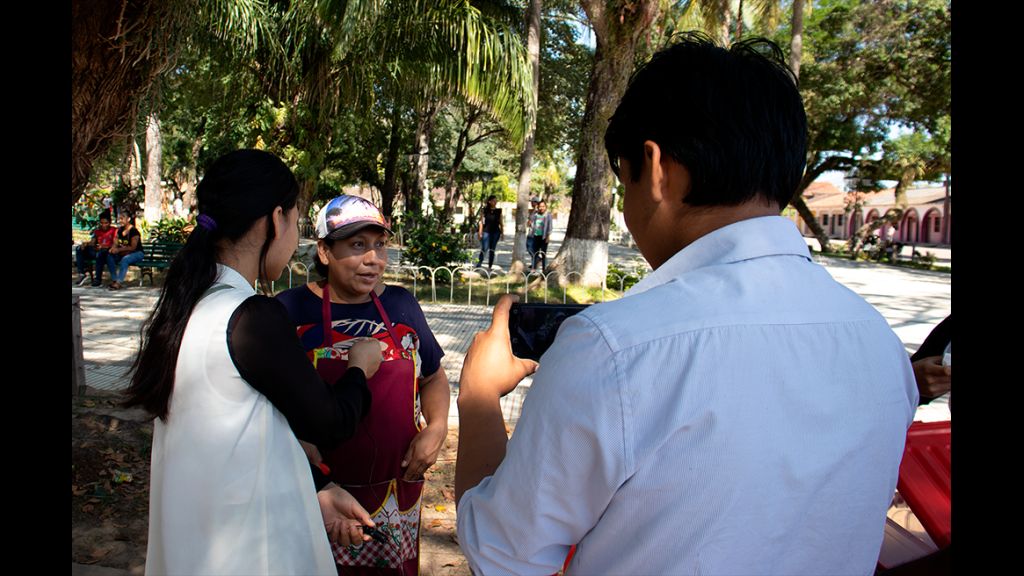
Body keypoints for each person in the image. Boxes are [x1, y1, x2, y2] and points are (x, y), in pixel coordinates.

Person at [454, 34, 918, 575]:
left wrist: (480, 398)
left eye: (623, 182)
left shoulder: (614, 350)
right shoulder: (878, 341)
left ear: (655, 169)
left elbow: (503, 557)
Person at [123, 149, 379, 575]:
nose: (294, 239)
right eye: (295, 224)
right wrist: (359, 368)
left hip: (194, 544)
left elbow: (250, 428)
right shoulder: (250, 317)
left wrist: (316, 488)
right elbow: (330, 423)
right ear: (275, 220)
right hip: (247, 554)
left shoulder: (191, 305)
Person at [277, 194, 451, 575]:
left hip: (396, 494)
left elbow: (434, 376)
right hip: (321, 493)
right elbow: (269, 403)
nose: (374, 259)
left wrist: (436, 427)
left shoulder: (402, 306)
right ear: (324, 251)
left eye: (380, 246)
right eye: (358, 246)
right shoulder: (289, 311)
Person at [104, 210, 145, 290]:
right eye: (119, 218)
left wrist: (119, 250)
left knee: (125, 260)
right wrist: (113, 248)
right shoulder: (120, 230)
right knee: (109, 257)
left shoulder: (134, 231)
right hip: (123, 252)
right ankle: (114, 279)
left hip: (137, 253)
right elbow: (116, 242)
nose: (120, 220)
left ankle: (119, 282)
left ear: (128, 219)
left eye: (122, 218)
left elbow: (133, 247)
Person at [75, 210, 116, 287]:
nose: (103, 225)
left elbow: (115, 244)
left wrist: (104, 247)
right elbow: (92, 242)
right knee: (79, 249)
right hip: (97, 251)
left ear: (109, 223)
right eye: (102, 223)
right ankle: (82, 273)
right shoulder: (97, 231)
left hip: (107, 253)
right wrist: (86, 244)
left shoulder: (114, 231)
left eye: (106, 223)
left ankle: (98, 279)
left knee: (100, 253)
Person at [476, 194, 502, 270]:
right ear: (489, 201)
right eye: (494, 200)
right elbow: (481, 222)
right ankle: (479, 262)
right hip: (486, 231)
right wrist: (480, 232)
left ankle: (490, 265)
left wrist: (502, 232)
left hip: (496, 232)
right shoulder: (484, 210)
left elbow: (501, 222)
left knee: (492, 249)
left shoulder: (498, 211)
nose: (495, 202)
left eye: (496, 200)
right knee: (484, 248)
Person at [526, 200, 553, 271]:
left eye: (543, 206)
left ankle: (544, 269)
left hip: (544, 237)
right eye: (540, 206)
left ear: (546, 207)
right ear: (538, 207)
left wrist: (548, 236)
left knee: (543, 254)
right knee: (535, 253)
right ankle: (533, 268)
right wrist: (534, 211)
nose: (541, 208)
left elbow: (550, 226)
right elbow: (528, 223)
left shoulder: (548, 215)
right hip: (535, 236)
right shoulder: (535, 214)